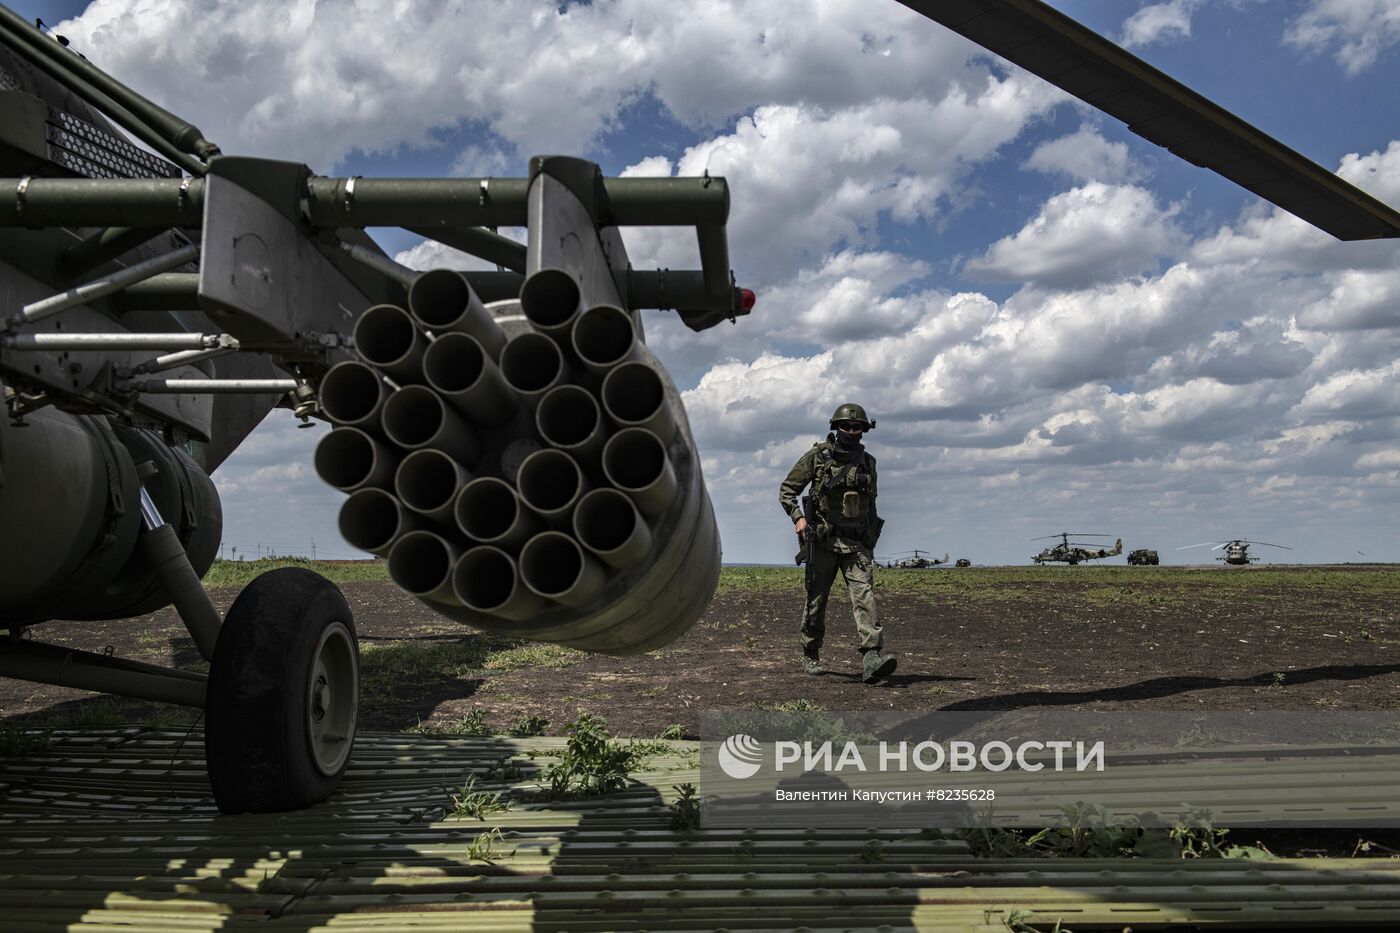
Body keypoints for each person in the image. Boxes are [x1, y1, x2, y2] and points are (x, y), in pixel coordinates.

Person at [778, 403, 897, 684]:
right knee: (817, 600)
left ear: (864, 430)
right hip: (823, 542)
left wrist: (870, 539)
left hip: (856, 545)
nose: (851, 431)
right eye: (846, 426)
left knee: (865, 598)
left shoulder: (868, 463)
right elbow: (787, 490)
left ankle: (871, 658)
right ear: (836, 427)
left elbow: (871, 504)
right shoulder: (818, 457)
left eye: (857, 427)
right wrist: (798, 518)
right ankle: (810, 651)